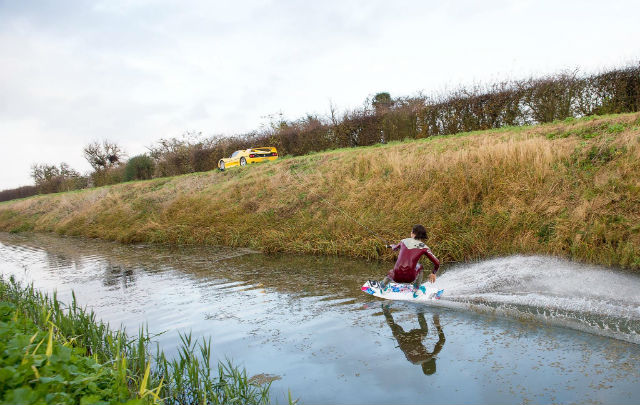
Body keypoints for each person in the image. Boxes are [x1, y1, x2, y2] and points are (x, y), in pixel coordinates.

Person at [382, 305, 445, 375]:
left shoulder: (430, 357)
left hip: (415, 337)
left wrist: (437, 325)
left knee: (424, 331)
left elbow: (442, 341)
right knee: (393, 326)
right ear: (423, 366)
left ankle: (419, 311)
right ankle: (385, 309)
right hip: (402, 339)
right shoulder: (413, 361)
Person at [380, 224, 439, 298]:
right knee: (420, 266)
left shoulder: (403, 241)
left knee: (391, 271)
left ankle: (382, 286)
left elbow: (395, 248)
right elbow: (437, 262)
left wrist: (391, 246)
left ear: (413, 233)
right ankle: (416, 289)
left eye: (411, 231)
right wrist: (433, 273)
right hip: (410, 278)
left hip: (396, 277)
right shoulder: (425, 247)